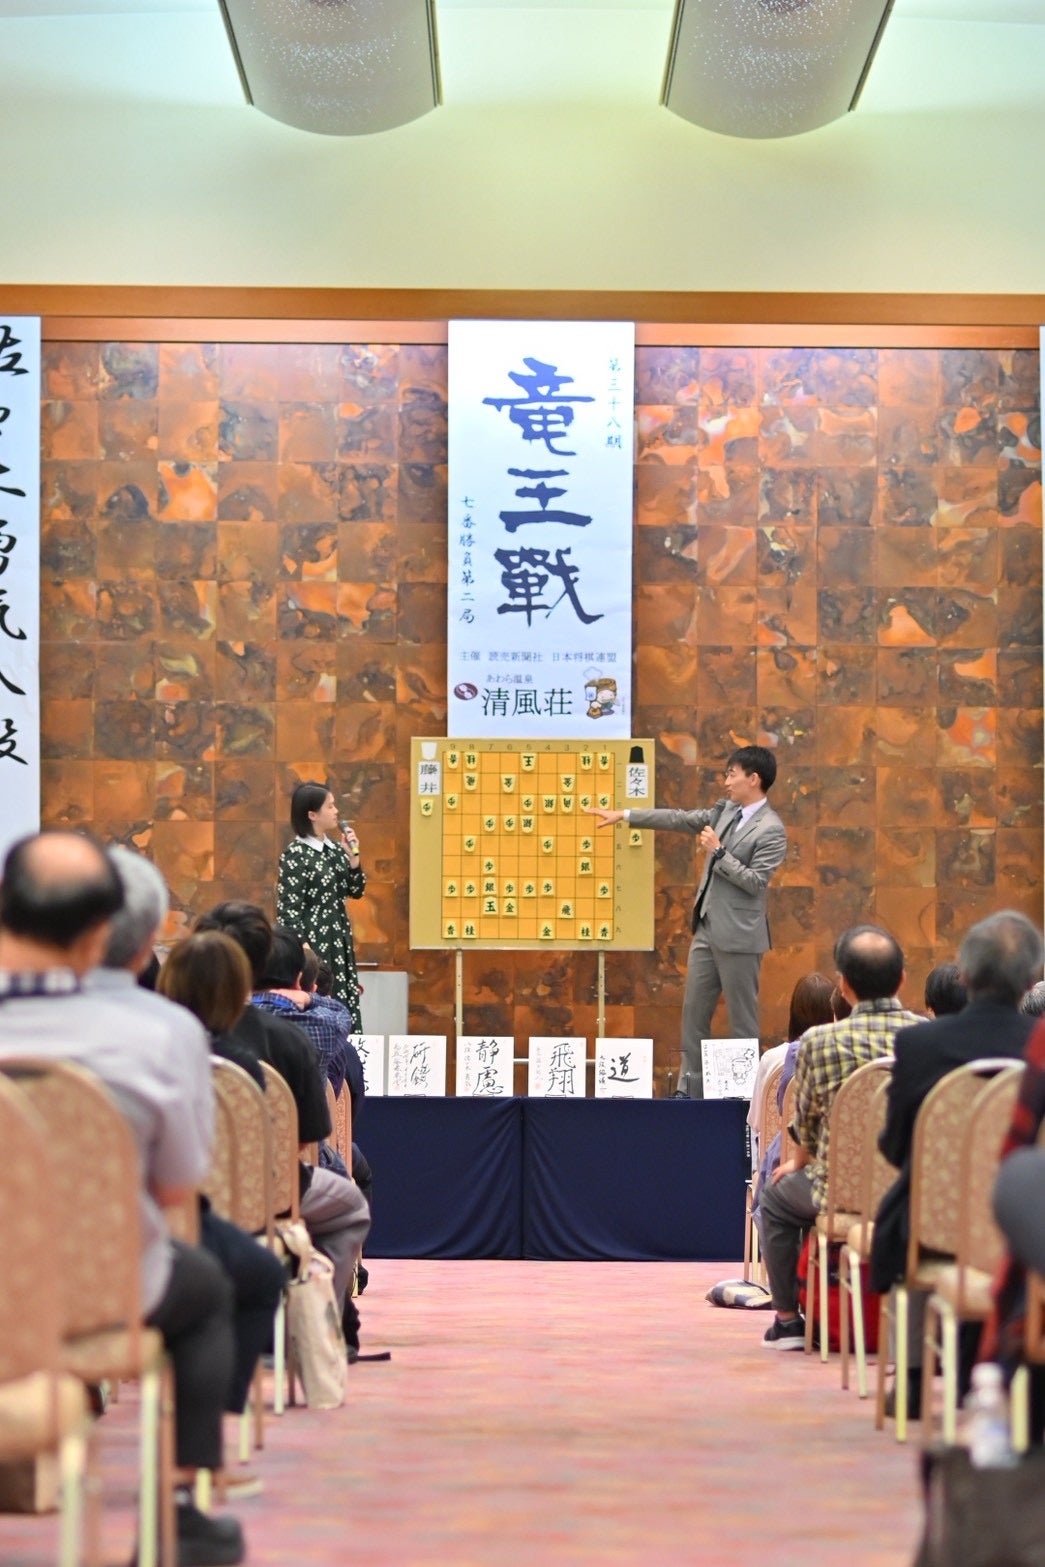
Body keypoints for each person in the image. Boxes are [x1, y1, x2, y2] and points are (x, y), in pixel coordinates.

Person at [0, 832, 244, 1566]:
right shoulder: (163, 1034)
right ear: (101, 938)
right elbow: (179, 1185)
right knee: (205, 1286)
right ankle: (180, 1511)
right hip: (101, 1292)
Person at [87, 853, 284, 1498]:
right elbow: (179, 1183)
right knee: (229, 1281)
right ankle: (189, 1484)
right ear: (149, 939)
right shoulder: (168, 1034)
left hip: (19, 1263)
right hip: (119, 1260)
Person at [871, 910, 1042, 1407]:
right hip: (1025, 1223)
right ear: (1030, 980)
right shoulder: (1038, 1046)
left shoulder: (919, 1044)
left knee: (906, 1210)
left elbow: (896, 1146)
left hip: (935, 1225)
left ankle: (912, 1378)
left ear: (964, 974)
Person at [195, 901, 371, 1355]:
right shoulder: (298, 1036)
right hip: (271, 1193)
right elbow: (309, 1136)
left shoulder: (176, 1031)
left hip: (185, 1189)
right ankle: (317, 1327)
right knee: (350, 1205)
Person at [588, 744, 787, 1099]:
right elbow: (680, 819)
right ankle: (688, 1090)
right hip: (707, 929)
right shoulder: (726, 811)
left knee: (742, 1021)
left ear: (753, 779)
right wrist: (626, 815)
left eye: (732, 774)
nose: (726, 782)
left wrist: (719, 852)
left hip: (740, 937)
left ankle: (746, 1098)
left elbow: (756, 882)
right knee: (693, 1014)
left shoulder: (771, 829)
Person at [759, 925, 921, 1349]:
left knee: (774, 1199)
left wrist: (796, 1161)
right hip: (910, 1190)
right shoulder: (925, 1037)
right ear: (902, 979)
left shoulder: (818, 1041)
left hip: (838, 1194)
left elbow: (806, 1124)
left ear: (844, 986)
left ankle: (788, 1320)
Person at [276, 781, 366, 1030]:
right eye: (330, 806)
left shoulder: (335, 850)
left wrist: (354, 860)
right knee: (318, 1001)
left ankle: (345, 1050)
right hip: (314, 941)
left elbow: (356, 891)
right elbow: (288, 911)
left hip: (339, 939)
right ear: (312, 815)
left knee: (342, 1000)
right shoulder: (296, 854)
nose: (336, 811)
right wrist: (304, 950)